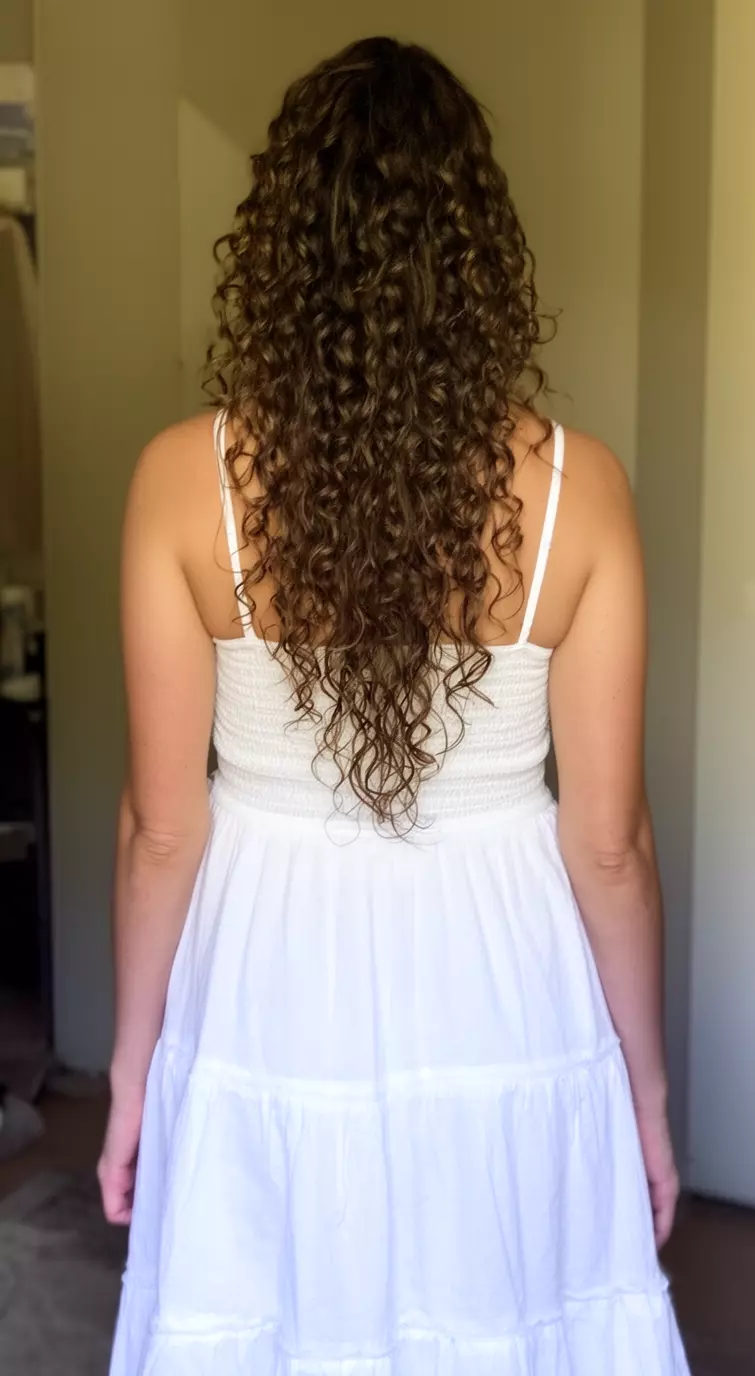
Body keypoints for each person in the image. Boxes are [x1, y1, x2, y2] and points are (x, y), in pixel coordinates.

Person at [101, 36, 689, 1376]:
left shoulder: (179, 482)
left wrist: (133, 1072)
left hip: (268, 961)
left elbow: (159, 829)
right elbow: (610, 847)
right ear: (475, 256)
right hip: (501, 956)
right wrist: (646, 1097)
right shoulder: (580, 492)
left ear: (280, 251)